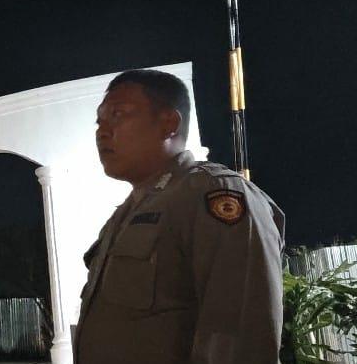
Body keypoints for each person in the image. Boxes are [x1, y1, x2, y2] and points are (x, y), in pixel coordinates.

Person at [74, 69, 286, 364]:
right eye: (100, 121)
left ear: (169, 124)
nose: (102, 131)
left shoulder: (212, 194)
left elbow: (239, 337)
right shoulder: (125, 214)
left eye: (118, 115)